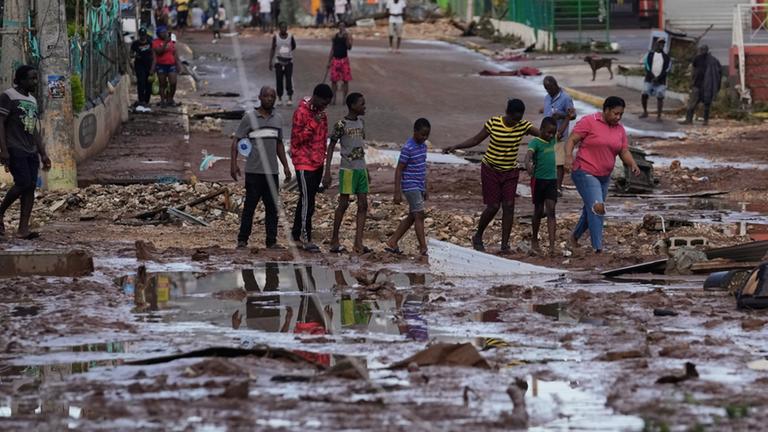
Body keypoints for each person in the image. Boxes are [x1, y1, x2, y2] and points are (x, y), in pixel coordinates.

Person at [444, 99, 540, 254]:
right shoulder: (494, 123)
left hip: (510, 171)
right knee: (493, 206)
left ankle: (505, 246)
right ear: (507, 113)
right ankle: (478, 236)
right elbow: (476, 140)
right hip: (490, 169)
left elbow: (543, 134)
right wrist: (456, 146)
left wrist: (555, 130)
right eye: (514, 118)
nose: (516, 122)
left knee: (509, 206)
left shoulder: (523, 126)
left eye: (519, 119)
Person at [564, 96, 641, 254]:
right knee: (597, 207)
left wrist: (632, 164)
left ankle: (574, 238)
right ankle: (597, 249)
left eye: (621, 114)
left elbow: (623, 150)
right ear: (606, 110)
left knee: (591, 209)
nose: (618, 117)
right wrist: (568, 157)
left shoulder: (619, 129)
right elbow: (571, 140)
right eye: (615, 113)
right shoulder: (589, 121)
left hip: (604, 176)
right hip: (585, 171)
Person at [231, 86, 292, 249]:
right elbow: (236, 141)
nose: (269, 99)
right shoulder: (249, 118)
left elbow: (279, 144)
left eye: (272, 96)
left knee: (272, 208)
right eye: (266, 96)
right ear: (260, 97)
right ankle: (242, 240)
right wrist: (233, 164)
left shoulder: (277, 119)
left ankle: (271, 241)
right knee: (250, 207)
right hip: (254, 171)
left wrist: (286, 166)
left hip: (272, 172)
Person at [0, 65, 52, 240]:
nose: (35, 82)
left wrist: (43, 153)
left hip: (30, 149)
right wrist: (4, 150)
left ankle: (23, 229)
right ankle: (0, 212)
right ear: (21, 80)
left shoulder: (32, 100)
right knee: (22, 183)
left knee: (30, 187)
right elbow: (0, 123)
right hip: (15, 147)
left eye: (36, 78)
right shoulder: (8, 96)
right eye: (32, 78)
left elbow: (34, 128)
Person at [323, 92, 371, 254]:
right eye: (362, 104)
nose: (364, 107)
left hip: (361, 169)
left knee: (363, 205)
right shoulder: (341, 125)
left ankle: (358, 242)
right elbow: (331, 147)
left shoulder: (361, 123)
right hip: (348, 170)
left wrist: (366, 170)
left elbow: (360, 147)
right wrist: (327, 171)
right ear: (352, 105)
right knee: (343, 204)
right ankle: (334, 240)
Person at [290, 84, 333, 252]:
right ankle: (305, 238)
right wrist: (313, 123)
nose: (325, 107)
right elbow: (297, 140)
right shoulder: (301, 112)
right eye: (323, 103)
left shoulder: (322, 114)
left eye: (327, 104)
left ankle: (296, 234)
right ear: (316, 97)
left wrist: (324, 163)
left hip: (317, 162)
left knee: (307, 200)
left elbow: (323, 140)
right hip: (303, 162)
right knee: (307, 201)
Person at [385, 118, 431, 257]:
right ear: (415, 131)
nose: (424, 137)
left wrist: (425, 186)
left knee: (412, 216)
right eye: (422, 134)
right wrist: (397, 191)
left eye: (427, 135)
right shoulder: (408, 148)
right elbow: (399, 169)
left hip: (419, 185)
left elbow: (422, 167)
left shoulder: (423, 147)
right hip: (410, 185)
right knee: (419, 215)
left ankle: (393, 241)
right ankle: (423, 248)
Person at [524, 117, 558, 256]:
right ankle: (534, 240)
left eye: (553, 133)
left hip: (552, 181)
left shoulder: (554, 140)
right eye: (548, 132)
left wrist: (567, 118)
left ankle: (552, 246)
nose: (550, 135)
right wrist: (528, 165)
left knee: (551, 211)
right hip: (538, 181)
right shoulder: (535, 142)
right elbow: (528, 155)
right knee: (538, 211)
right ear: (541, 129)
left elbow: (561, 130)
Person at [541, 76, 575, 193]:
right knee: (548, 161)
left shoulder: (566, 98)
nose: (549, 91)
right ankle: (549, 185)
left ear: (556, 85)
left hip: (560, 134)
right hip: (546, 135)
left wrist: (561, 115)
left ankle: (558, 187)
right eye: (546, 89)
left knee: (559, 163)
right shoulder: (547, 97)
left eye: (550, 88)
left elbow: (572, 115)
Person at [682, 45, 721, 126]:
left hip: (707, 85)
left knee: (706, 103)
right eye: (701, 50)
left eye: (703, 50)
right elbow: (693, 70)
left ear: (706, 50)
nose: (702, 51)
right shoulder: (698, 59)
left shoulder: (712, 61)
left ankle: (704, 121)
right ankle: (689, 120)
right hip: (698, 84)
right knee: (692, 103)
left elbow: (718, 73)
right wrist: (692, 82)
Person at [641, 38, 671, 122]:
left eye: (663, 44)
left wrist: (658, 77)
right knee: (644, 93)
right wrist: (652, 77)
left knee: (660, 96)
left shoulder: (666, 57)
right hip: (649, 79)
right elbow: (647, 66)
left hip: (661, 81)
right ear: (656, 45)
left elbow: (667, 69)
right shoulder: (649, 55)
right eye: (660, 44)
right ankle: (645, 111)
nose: (661, 45)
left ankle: (659, 116)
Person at [152, 26, 182, 107]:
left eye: (165, 32)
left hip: (171, 65)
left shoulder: (171, 42)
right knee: (162, 84)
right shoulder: (155, 42)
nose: (164, 34)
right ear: (158, 34)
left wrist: (179, 65)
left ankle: (170, 99)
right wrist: (165, 43)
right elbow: (159, 52)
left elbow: (175, 53)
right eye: (162, 33)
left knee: (173, 83)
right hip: (161, 65)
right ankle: (163, 100)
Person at [269, 22, 296, 106]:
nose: (283, 29)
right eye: (282, 28)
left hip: (289, 61)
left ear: (287, 28)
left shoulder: (290, 37)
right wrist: (270, 61)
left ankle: (290, 98)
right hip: (278, 61)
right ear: (279, 28)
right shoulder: (275, 37)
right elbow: (273, 48)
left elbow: (293, 46)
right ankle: (280, 98)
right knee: (279, 80)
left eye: (285, 27)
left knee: (289, 80)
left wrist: (287, 51)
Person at [130, 28, 155, 112]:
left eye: (144, 35)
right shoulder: (135, 44)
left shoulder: (150, 43)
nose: (143, 37)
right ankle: (141, 100)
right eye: (141, 35)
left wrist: (153, 68)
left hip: (149, 65)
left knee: (149, 84)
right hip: (139, 65)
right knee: (141, 82)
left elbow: (153, 55)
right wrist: (135, 56)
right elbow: (131, 54)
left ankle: (146, 101)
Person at [327, 22, 352, 106]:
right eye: (340, 26)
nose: (341, 27)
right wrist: (329, 61)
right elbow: (332, 49)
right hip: (335, 60)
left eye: (343, 26)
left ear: (345, 27)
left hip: (344, 60)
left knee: (345, 80)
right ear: (338, 27)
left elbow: (349, 47)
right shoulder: (335, 36)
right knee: (334, 81)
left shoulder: (348, 36)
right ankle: (334, 98)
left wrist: (347, 38)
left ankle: (344, 99)